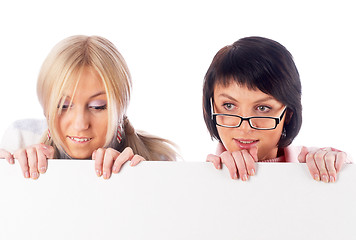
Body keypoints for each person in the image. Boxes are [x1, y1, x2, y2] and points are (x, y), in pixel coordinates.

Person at [1, 35, 177, 179]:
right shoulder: (20, 139)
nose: (80, 124)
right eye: (63, 105)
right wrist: (11, 173)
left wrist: (134, 179)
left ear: (121, 108)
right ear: (46, 108)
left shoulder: (157, 160)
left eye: (97, 106)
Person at [203, 36, 350, 183]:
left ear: (288, 113)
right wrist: (214, 178)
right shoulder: (197, 177)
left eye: (262, 108)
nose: (245, 127)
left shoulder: (311, 165)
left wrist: (341, 170)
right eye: (229, 106)